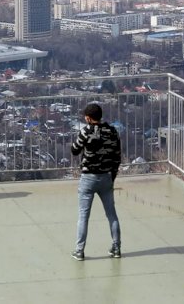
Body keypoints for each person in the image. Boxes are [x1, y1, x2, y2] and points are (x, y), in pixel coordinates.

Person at [70, 103, 122, 261]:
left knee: (83, 216)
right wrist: (112, 176)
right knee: (111, 214)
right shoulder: (112, 131)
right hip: (106, 177)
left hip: (88, 177)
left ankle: (79, 251)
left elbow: (74, 150)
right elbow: (117, 156)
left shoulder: (85, 131)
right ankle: (116, 247)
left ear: (87, 117)